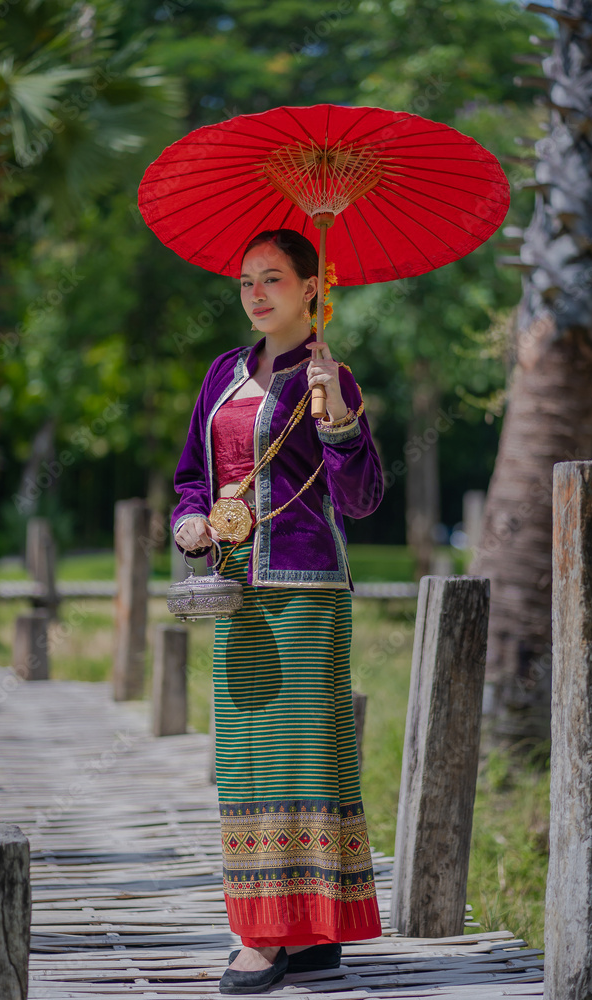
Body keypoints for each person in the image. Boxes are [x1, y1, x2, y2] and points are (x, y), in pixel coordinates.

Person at [171, 229, 384, 995]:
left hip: (307, 589)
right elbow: (191, 475)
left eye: (272, 279)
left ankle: (283, 936)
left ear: (310, 288)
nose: (256, 294)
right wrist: (190, 522)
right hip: (237, 592)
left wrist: (337, 422)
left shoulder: (329, 377)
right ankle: (290, 930)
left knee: (307, 757)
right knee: (245, 759)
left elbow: (359, 501)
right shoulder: (222, 374)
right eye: (245, 282)